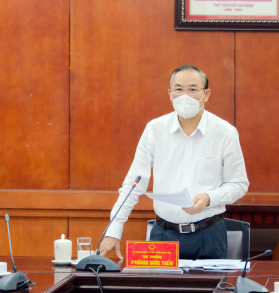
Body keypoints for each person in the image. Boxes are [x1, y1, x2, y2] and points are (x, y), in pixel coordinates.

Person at [99, 65, 249, 260]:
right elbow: (134, 183)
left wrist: (209, 198)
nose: (185, 96)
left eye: (193, 89)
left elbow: (239, 184)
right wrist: (114, 229)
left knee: (211, 291)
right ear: (170, 94)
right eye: (179, 89)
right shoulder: (155, 130)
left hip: (209, 234)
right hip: (163, 235)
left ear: (207, 94)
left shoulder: (224, 132)